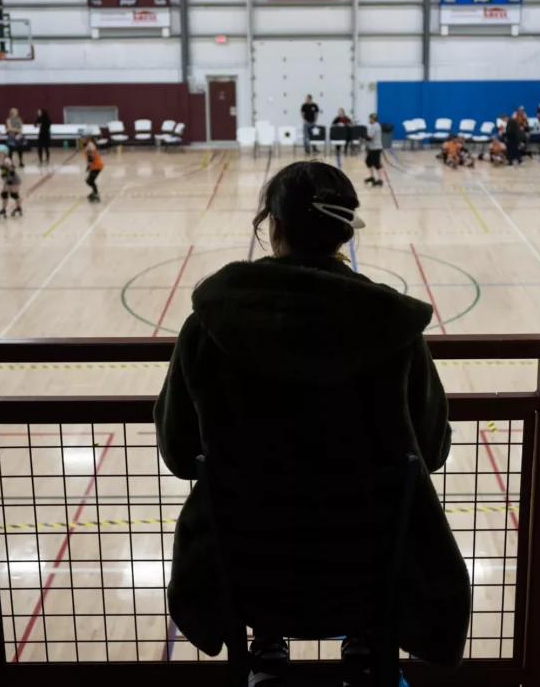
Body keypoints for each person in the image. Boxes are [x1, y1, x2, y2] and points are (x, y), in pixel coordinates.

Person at [154, 160, 470, 680]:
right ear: (345, 234)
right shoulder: (393, 328)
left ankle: (268, 647)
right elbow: (431, 450)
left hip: (245, 572)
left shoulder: (209, 324)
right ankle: (367, 646)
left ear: (273, 227)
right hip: (372, 573)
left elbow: (178, 452)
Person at [0, 144, 23, 218]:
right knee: (4, 194)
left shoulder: (7, 160)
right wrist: (4, 176)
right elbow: (3, 171)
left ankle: (18, 208)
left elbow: (12, 171)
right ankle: (3, 209)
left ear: (4, 153)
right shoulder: (0, 160)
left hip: (14, 180)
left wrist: (9, 179)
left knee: (14, 194)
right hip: (8, 179)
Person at [364, 112, 384, 187]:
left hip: (375, 148)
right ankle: (372, 177)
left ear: (372, 119)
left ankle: (380, 179)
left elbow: (370, 137)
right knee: (368, 161)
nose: (369, 120)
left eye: (370, 118)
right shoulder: (373, 125)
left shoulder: (375, 126)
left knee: (376, 164)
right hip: (371, 147)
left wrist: (363, 137)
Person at [84, 138, 105, 203]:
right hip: (95, 166)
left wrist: (89, 165)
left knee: (90, 180)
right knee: (89, 180)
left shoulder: (90, 145)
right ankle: (94, 192)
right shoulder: (88, 144)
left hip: (96, 166)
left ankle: (95, 193)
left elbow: (91, 156)